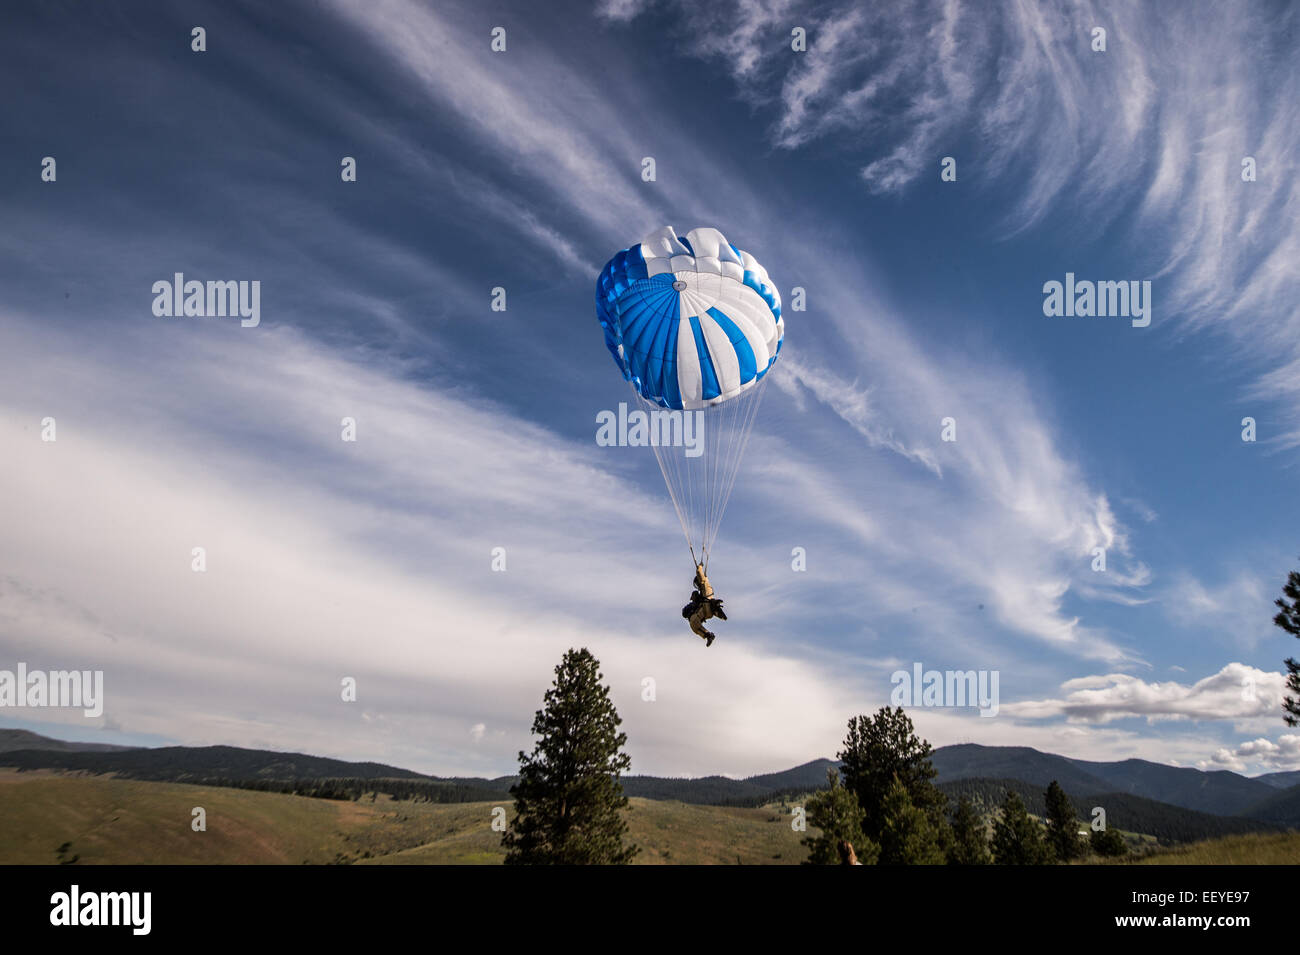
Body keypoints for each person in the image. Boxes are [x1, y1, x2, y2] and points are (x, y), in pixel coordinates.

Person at [681, 563, 726, 646]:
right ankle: (708, 635)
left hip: (708, 605)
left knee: (694, 620)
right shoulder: (702, 591)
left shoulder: (704, 584)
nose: (697, 586)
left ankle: (715, 608)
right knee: (693, 624)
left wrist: (700, 567)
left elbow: (700, 574)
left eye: (697, 584)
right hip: (705, 610)